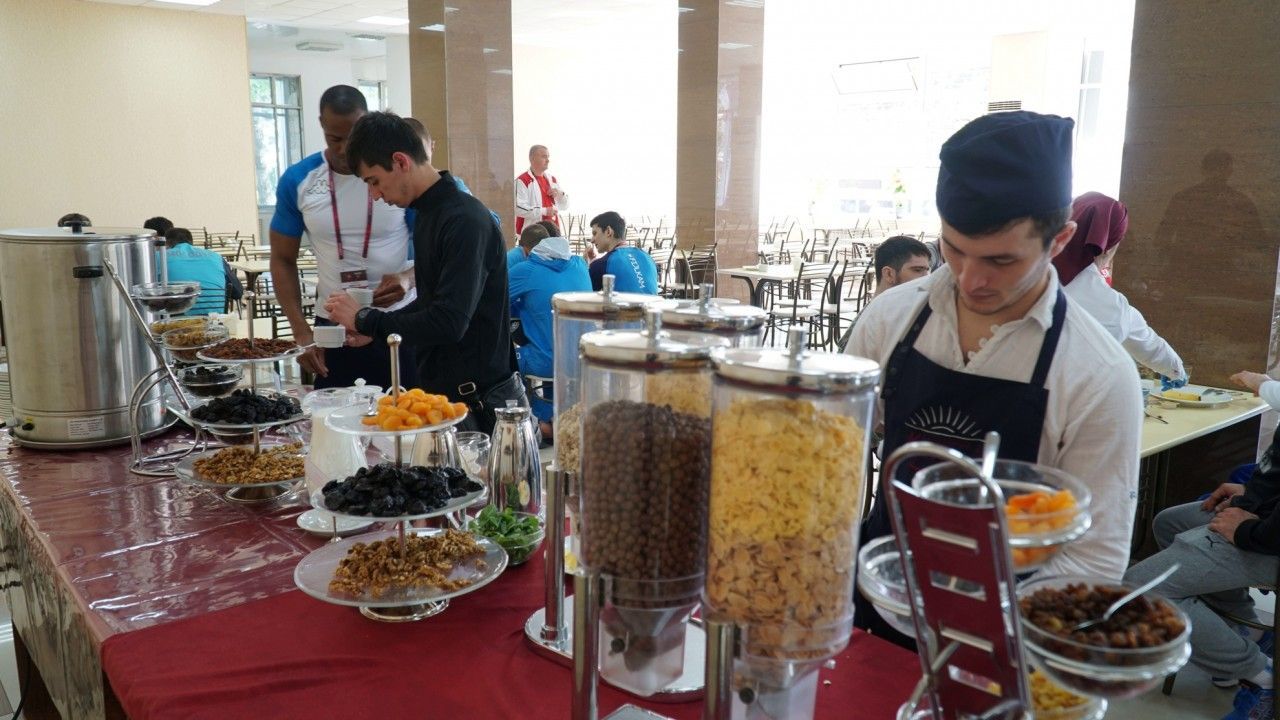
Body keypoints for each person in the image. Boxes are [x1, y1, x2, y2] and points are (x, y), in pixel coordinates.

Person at [845, 111, 1142, 644]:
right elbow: (841, 455)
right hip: (876, 602)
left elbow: (1095, 554)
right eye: (953, 249)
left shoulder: (1098, 373)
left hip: (1003, 635)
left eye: (1000, 260)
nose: (970, 279)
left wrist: (996, 633)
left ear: (1060, 240)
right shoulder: (891, 317)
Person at [324, 111, 528, 434]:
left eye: (374, 181)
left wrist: (365, 319)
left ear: (400, 161)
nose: (375, 195)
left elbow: (449, 322)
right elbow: (432, 302)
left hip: (479, 404)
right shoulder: (428, 214)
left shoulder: (465, 220)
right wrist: (376, 330)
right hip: (447, 395)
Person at [1123, 368, 1280, 720]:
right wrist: (1253, 493)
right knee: (1170, 522)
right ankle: (1246, 632)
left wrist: (1245, 530)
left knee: (1138, 589)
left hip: (1270, 540)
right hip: (1265, 516)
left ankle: (1260, 676)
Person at [269, 85, 416, 389]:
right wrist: (300, 331)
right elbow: (282, 259)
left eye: (353, 136)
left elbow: (438, 251)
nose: (345, 148)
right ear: (321, 125)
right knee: (333, 413)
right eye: (335, 138)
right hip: (334, 326)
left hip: (398, 319)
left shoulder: (395, 174)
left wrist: (407, 278)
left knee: (406, 410)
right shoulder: (299, 180)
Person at [1055, 191, 1188, 385]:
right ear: (1108, 245)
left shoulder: (1026, 272)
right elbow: (1147, 343)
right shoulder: (1108, 303)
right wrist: (1177, 372)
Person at [509, 234, 592, 439]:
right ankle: (557, 417)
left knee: (505, 363)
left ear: (529, 251)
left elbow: (493, 300)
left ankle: (536, 426)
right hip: (582, 361)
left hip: (545, 363)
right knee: (549, 343)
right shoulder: (580, 265)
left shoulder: (526, 270)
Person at [835, 235, 932, 351]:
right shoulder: (869, 326)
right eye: (917, 270)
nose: (927, 278)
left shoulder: (901, 316)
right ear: (889, 274)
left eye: (927, 271)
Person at [404, 117, 501, 230]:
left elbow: (492, 221)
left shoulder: (454, 186)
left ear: (432, 146)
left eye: (420, 153)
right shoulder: (397, 194)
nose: (418, 162)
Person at [162, 227, 244, 315]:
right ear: (191, 242)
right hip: (214, 318)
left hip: (175, 319)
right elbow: (238, 292)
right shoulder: (216, 257)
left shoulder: (160, 256)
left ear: (166, 244)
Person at [586, 211, 659, 294]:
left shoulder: (601, 264)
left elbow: (585, 294)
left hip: (625, 303)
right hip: (654, 302)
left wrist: (587, 264)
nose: (592, 240)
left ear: (608, 231)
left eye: (595, 233)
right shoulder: (647, 257)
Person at [515, 145, 568, 234]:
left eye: (548, 157)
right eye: (544, 156)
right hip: (532, 235)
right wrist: (544, 211)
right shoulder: (522, 180)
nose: (548, 160)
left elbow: (565, 206)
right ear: (532, 158)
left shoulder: (552, 180)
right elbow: (518, 208)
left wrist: (560, 194)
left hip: (553, 234)